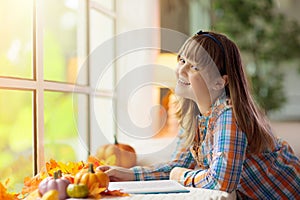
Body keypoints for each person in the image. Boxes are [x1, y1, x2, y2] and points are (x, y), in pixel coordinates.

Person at [97, 30, 300, 199]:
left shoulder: (229, 116)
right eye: (182, 60)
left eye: (194, 66)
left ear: (220, 82)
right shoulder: (195, 117)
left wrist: (182, 175)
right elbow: (178, 166)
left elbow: (221, 182)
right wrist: (129, 174)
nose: (181, 70)